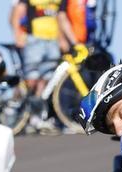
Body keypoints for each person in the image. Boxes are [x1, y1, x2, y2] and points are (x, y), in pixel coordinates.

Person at [10, 0, 78, 132]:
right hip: (34, 40)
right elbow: (17, 13)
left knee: (46, 79)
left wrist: (69, 41)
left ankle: (37, 116)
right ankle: (16, 112)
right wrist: (17, 34)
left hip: (52, 41)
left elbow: (61, 17)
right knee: (31, 78)